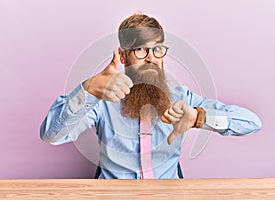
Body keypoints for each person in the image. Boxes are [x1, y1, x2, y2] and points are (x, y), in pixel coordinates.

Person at [40, 14, 262, 179]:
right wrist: (87, 90)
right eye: (140, 50)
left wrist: (198, 118)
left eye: (157, 50)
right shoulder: (102, 100)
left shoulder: (181, 97)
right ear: (123, 56)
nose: (151, 58)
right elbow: (52, 136)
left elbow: (252, 122)